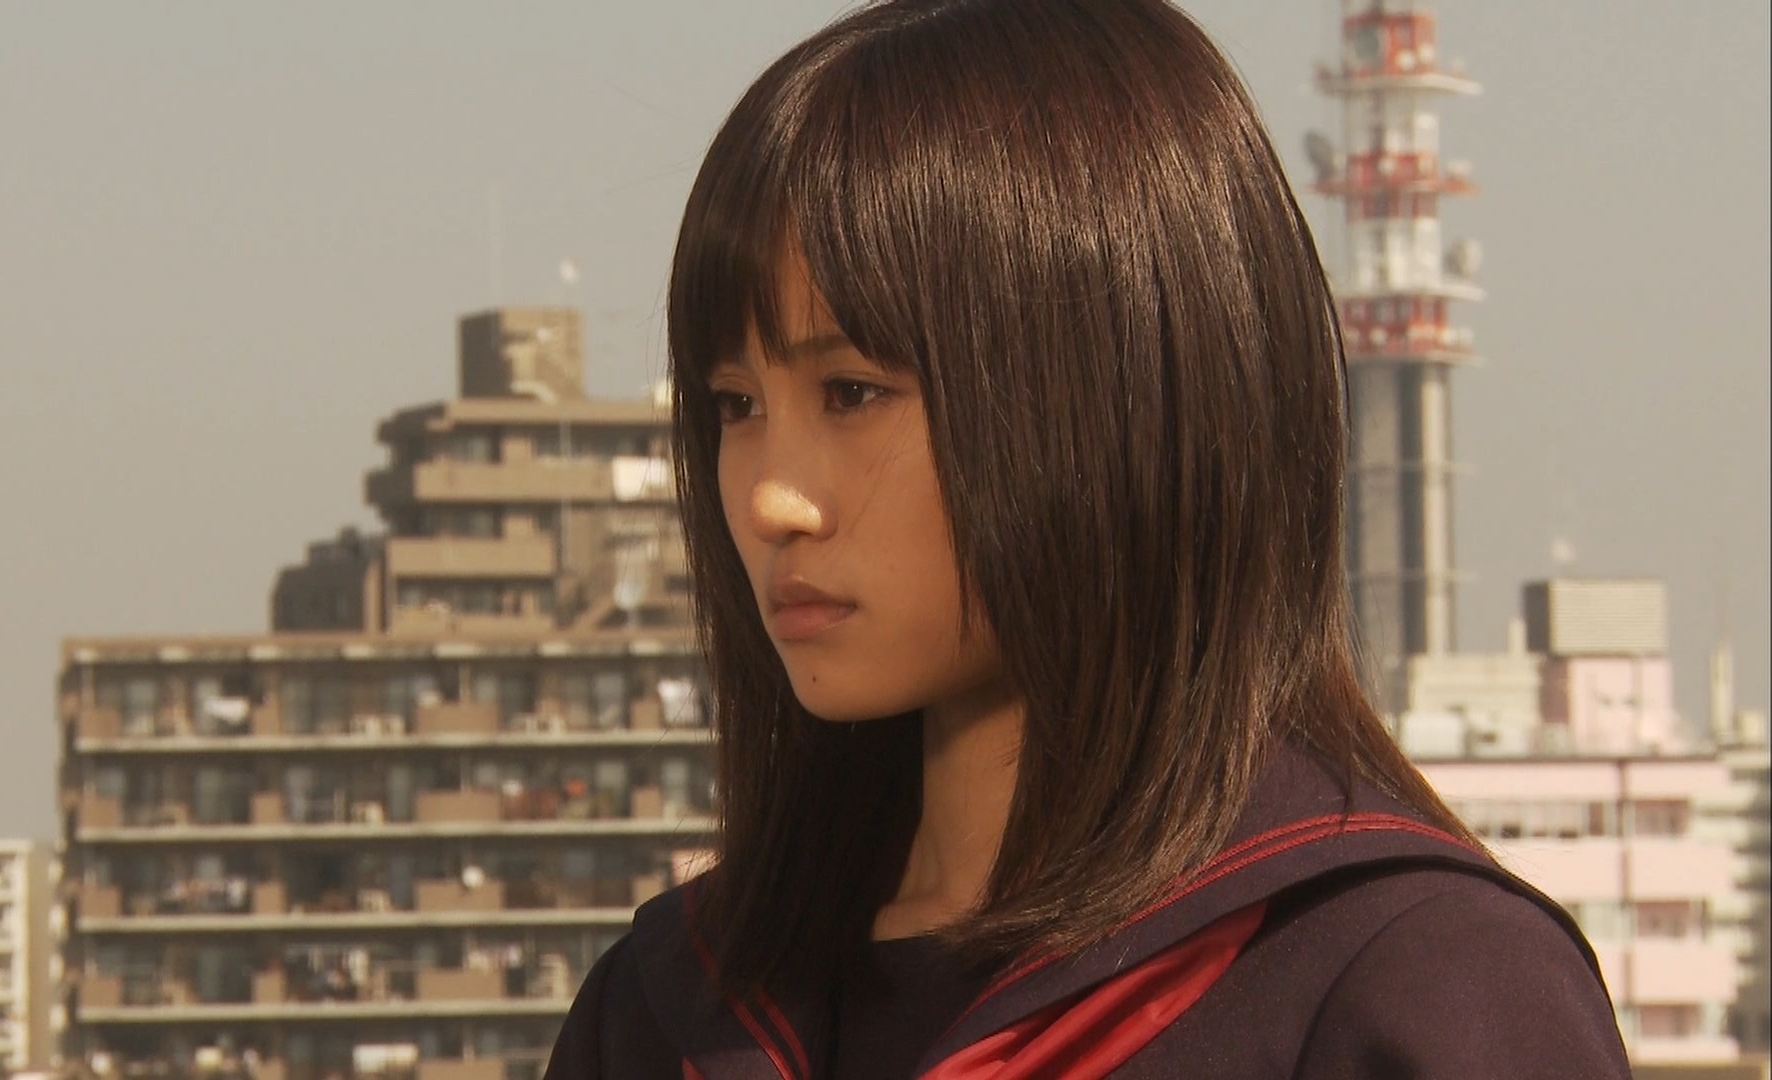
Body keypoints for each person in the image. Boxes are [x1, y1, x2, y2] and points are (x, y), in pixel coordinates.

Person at [547, 1, 1631, 1077]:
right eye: (736, 405)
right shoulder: (667, 1014)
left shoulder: (1419, 988)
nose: (770, 501)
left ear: (1121, 401)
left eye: (850, 392)